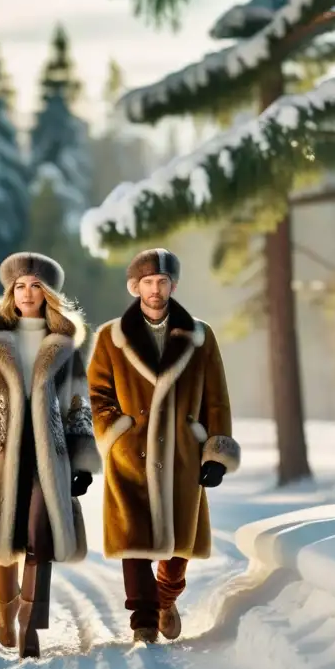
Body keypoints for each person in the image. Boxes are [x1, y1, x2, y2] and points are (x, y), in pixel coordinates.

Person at [0, 252, 101, 659]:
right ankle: (5, 609)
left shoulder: (64, 343)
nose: (27, 294)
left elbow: (77, 404)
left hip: (50, 453)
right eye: (20, 286)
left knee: (38, 538)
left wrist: (82, 458)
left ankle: (30, 626)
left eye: (35, 286)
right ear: (10, 290)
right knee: (1, 536)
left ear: (49, 293)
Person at [87, 248, 241, 644]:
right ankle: (142, 620)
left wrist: (216, 453)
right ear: (134, 286)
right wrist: (114, 432)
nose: (155, 290)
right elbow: (98, 393)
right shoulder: (110, 337)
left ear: (173, 285)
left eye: (162, 282)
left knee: (179, 543)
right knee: (132, 536)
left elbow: (217, 398)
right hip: (130, 452)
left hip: (182, 453)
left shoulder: (201, 336)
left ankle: (166, 598)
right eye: (147, 282)